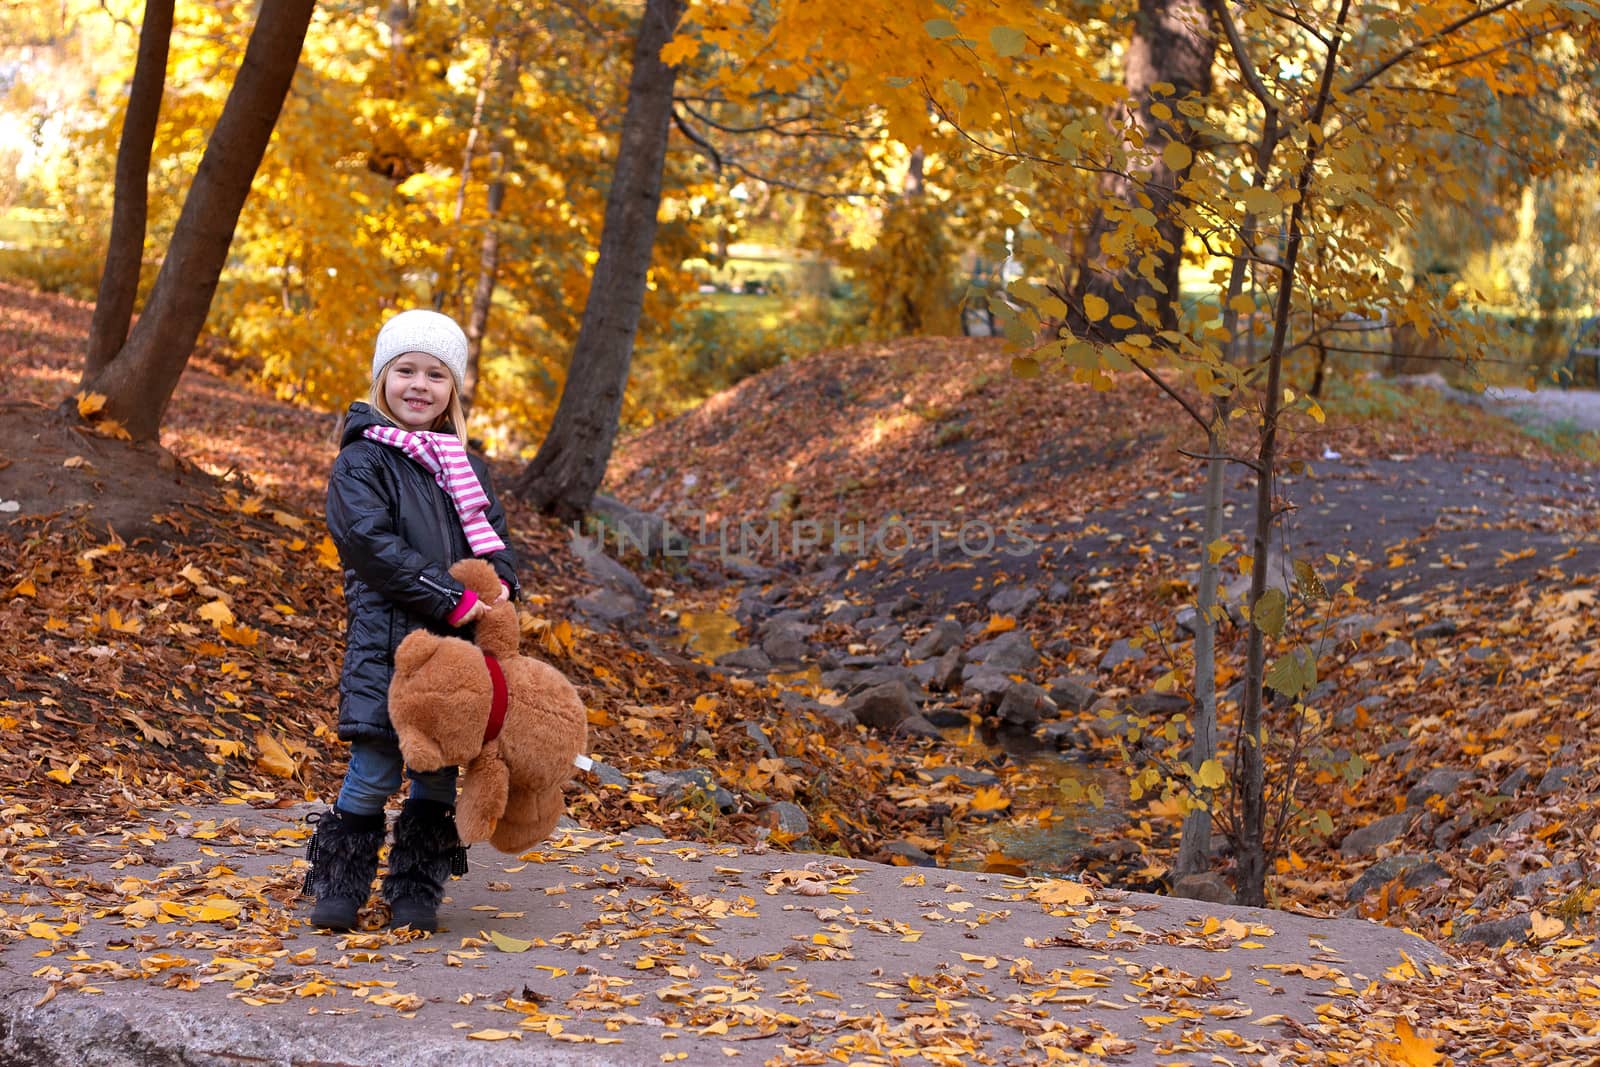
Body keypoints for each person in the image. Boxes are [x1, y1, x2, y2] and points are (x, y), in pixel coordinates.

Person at [304, 308, 520, 933]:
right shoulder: (362, 461)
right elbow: (370, 544)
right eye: (405, 371)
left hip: (456, 651)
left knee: (437, 773)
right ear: (382, 381)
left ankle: (416, 887)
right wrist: (445, 595)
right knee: (374, 766)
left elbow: (494, 541)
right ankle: (340, 881)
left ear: (452, 391)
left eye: (435, 374)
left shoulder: (463, 467)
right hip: (388, 644)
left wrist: (499, 584)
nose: (419, 385)